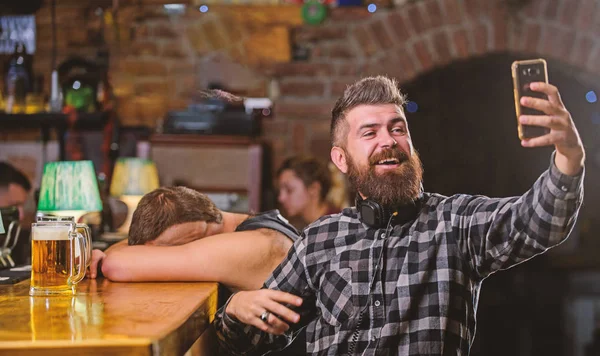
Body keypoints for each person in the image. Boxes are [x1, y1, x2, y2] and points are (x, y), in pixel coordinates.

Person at [213, 76, 585, 355]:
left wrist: (569, 158)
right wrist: (235, 308)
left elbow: (538, 222)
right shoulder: (320, 240)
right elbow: (249, 340)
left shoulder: (454, 223)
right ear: (341, 159)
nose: (388, 140)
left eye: (397, 129)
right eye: (369, 133)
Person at [89, 186, 299, 292]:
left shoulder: (257, 243)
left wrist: (110, 255)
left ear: (200, 230)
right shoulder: (256, 225)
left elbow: (116, 265)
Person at [276, 155, 341, 229]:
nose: (281, 198)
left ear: (314, 189)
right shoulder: (309, 226)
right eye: (280, 190)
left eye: (289, 190)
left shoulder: (335, 226)